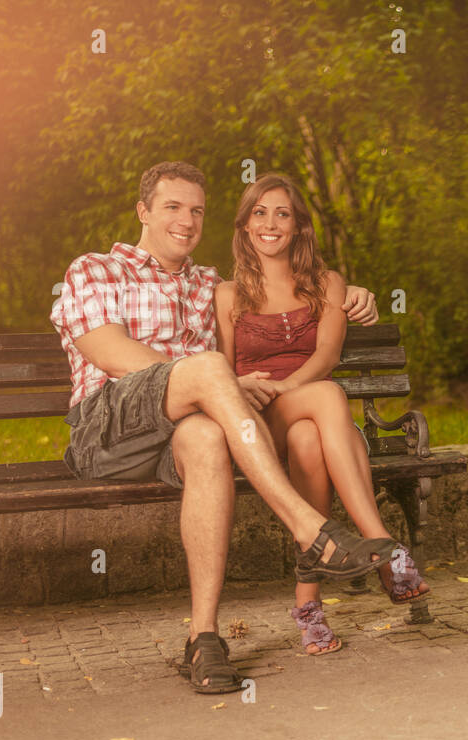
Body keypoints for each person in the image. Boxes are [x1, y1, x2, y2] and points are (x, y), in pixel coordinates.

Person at [50, 160, 401, 693]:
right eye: (172, 207)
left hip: (180, 429)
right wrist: (209, 380)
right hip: (107, 424)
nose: (186, 220)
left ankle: (204, 637)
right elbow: (109, 352)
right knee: (210, 370)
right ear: (143, 211)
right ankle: (310, 531)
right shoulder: (96, 270)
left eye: (196, 210)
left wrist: (357, 295)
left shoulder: (208, 285)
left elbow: (288, 294)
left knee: (209, 435)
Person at [214, 172, 429, 655]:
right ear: (246, 226)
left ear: (298, 227)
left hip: (313, 414)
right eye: (260, 213)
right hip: (260, 419)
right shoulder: (228, 294)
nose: (270, 223)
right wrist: (271, 392)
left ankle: (309, 610)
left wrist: (293, 386)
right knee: (329, 397)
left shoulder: (327, 283)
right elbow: (224, 371)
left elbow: (328, 354)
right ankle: (384, 549)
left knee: (313, 433)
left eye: (282, 213)